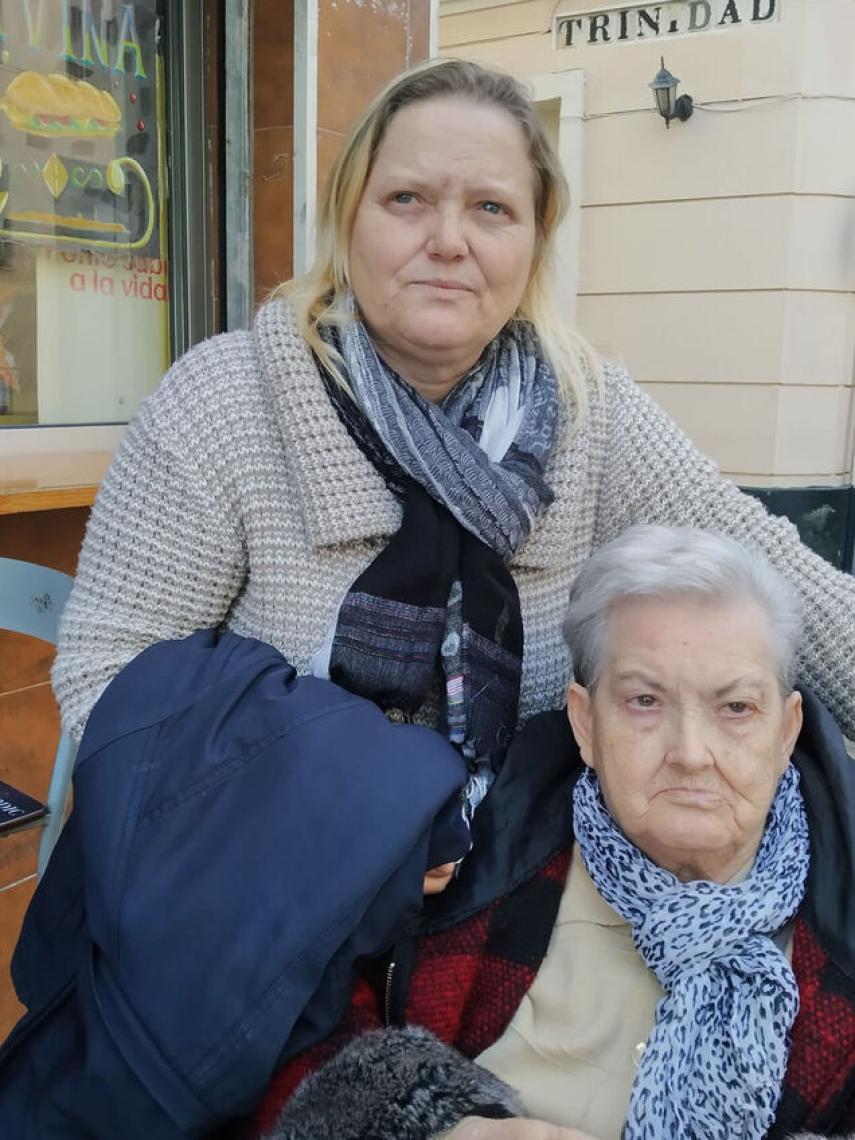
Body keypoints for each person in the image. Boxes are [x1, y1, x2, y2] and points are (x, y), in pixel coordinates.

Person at [53, 60, 855, 817]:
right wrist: (343, 816)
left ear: (534, 241)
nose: (447, 240)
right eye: (406, 198)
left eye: (491, 208)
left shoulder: (587, 405)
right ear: (346, 217)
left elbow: (772, 573)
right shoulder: (227, 399)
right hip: (281, 877)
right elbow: (105, 678)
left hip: (520, 868)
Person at [256, 526, 855, 1140]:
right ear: (585, 722)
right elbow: (290, 1035)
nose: (692, 753)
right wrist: (445, 1130)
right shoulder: (466, 852)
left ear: (786, 733)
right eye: (645, 700)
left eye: (735, 709)